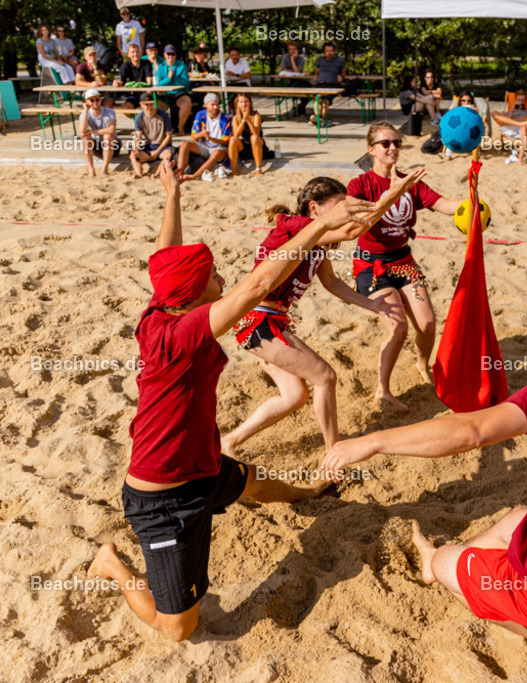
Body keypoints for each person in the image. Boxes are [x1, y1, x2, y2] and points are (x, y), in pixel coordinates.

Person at [85, 158, 393, 642]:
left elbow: (165, 256)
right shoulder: (183, 334)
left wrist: (173, 196)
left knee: (254, 483)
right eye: (212, 278)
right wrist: (317, 227)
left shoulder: (161, 307)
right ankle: (111, 564)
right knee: (179, 629)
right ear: (193, 296)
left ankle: (312, 491)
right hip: (163, 497)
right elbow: (258, 285)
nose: (222, 281)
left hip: (204, 465)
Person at [320, 228, 527, 660]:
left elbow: (470, 432)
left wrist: (373, 442)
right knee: (515, 518)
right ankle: (479, 575)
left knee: (440, 562)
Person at [222, 173, 422, 458]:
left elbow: (332, 283)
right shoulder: (298, 226)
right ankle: (334, 453)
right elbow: (354, 231)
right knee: (326, 377)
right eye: (339, 205)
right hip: (258, 320)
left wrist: (372, 305)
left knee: (294, 396)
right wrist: (392, 194)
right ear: (314, 207)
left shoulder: (315, 238)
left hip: (271, 320)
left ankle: (230, 441)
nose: (344, 212)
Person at [344, 121, 462, 409]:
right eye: (385, 143)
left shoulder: (412, 182)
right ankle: (382, 389)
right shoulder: (359, 185)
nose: (393, 148)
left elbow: (444, 204)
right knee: (398, 329)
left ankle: (423, 364)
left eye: (396, 142)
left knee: (428, 324)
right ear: (371, 149)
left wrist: (470, 202)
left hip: (403, 261)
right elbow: (362, 221)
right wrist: (393, 192)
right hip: (371, 266)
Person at [177, 93, 230, 182]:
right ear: (206, 105)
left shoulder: (225, 118)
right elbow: (194, 137)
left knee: (216, 153)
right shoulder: (200, 115)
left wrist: (210, 138)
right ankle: (179, 173)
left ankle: (194, 176)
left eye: (217, 104)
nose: (216, 107)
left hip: (219, 147)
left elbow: (225, 141)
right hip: (205, 145)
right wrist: (202, 134)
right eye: (212, 105)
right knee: (184, 143)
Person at [130, 93, 174, 178]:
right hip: (149, 147)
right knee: (133, 154)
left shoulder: (163, 114)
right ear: (141, 104)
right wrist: (137, 148)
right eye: (146, 105)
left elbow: (168, 136)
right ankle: (139, 173)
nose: (149, 107)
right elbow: (138, 136)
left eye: (151, 104)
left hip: (163, 146)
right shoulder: (139, 117)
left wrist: (157, 151)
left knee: (168, 155)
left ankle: (157, 174)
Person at [78, 89, 119, 177]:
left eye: (97, 99)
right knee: (85, 138)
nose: (95, 102)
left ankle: (104, 170)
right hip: (97, 146)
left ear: (101, 100)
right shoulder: (84, 114)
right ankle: (91, 170)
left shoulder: (109, 111)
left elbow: (111, 130)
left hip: (113, 146)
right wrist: (85, 111)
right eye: (91, 100)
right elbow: (82, 130)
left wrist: (93, 132)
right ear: (86, 102)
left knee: (107, 137)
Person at [492, 90, 527, 166]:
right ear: (515, 100)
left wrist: (510, 121)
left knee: (523, 126)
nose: (520, 103)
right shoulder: (509, 112)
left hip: (526, 129)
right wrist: (512, 112)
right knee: (494, 113)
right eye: (518, 100)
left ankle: (520, 158)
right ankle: (519, 124)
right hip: (512, 129)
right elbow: (504, 122)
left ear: (525, 101)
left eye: (522, 100)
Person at [225, 93, 267, 176]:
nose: (244, 104)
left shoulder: (255, 115)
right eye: (241, 102)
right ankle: (233, 171)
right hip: (245, 145)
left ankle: (258, 169)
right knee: (233, 139)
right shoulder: (236, 118)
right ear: (237, 104)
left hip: (257, 144)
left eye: (246, 102)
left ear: (250, 103)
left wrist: (248, 120)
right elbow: (236, 134)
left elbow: (256, 132)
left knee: (254, 137)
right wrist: (243, 121)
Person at [156, 44, 192, 135]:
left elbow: (186, 83)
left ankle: (180, 127)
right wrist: (168, 78)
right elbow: (158, 83)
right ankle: (165, 130)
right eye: (168, 54)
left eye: (173, 54)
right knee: (155, 105)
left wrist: (173, 77)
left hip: (178, 93)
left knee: (187, 103)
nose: (170, 56)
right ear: (164, 55)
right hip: (164, 94)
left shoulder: (182, 66)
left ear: (175, 55)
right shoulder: (161, 67)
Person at [311, 42, 345, 126]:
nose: (329, 52)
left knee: (325, 101)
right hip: (320, 83)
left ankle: (319, 119)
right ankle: (320, 119)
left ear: (334, 51)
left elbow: (343, 73)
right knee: (317, 98)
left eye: (331, 50)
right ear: (324, 52)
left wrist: (341, 76)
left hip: (332, 84)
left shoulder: (339, 60)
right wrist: (315, 77)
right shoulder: (320, 59)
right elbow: (317, 71)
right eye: (327, 51)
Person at [115, 43, 154, 108]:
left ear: (140, 53)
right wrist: (116, 83)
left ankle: (141, 115)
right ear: (128, 54)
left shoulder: (147, 63)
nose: (135, 54)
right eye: (132, 52)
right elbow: (119, 80)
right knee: (125, 108)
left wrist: (148, 93)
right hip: (132, 95)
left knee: (147, 103)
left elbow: (149, 81)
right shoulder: (126, 65)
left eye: (137, 51)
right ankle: (137, 117)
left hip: (144, 93)